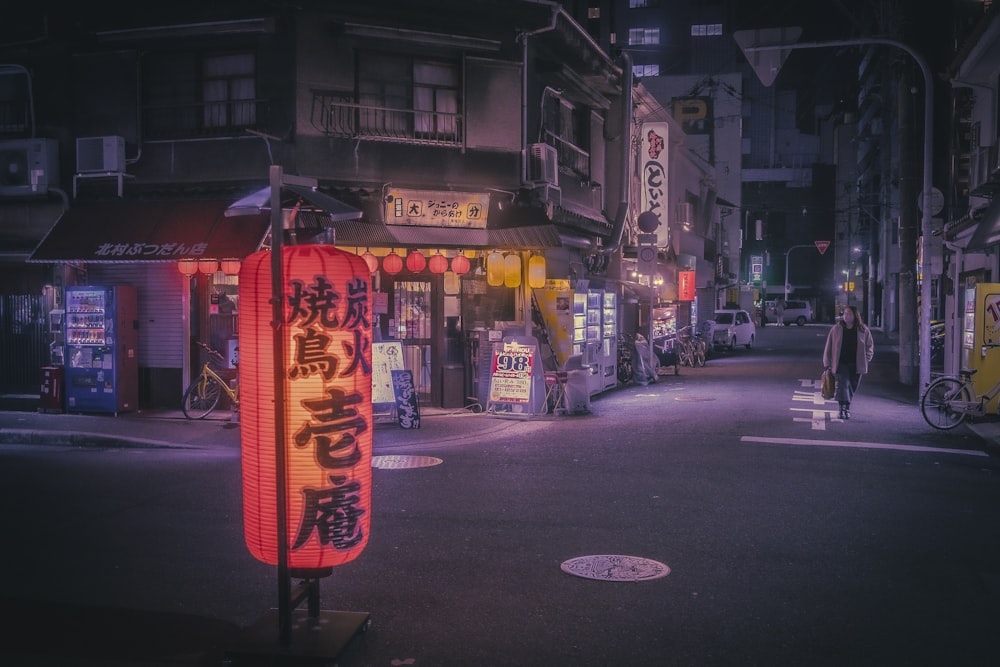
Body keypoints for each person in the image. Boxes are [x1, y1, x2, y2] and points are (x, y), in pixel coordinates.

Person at [822, 305, 875, 420]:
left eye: (849, 313)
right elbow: (829, 346)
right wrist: (827, 362)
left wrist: (867, 358)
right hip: (841, 363)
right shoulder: (836, 329)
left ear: (855, 315)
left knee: (852, 387)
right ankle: (842, 409)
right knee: (843, 385)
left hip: (857, 364)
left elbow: (870, 345)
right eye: (845, 313)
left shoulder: (863, 329)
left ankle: (847, 407)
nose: (846, 316)